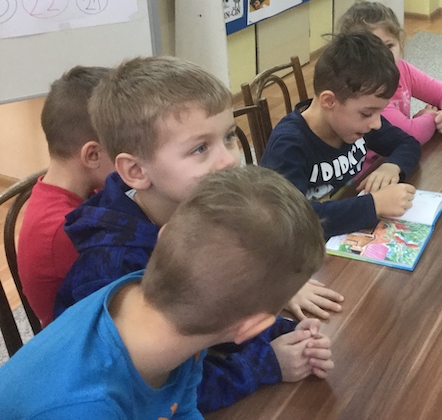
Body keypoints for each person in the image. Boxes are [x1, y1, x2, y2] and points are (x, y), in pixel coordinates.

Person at [53, 56, 341, 414]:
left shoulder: (204, 214)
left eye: (229, 137)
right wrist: (265, 363)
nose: (228, 160)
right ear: (136, 170)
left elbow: (215, 310)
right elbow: (153, 387)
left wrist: (279, 331)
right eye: (200, 148)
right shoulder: (110, 266)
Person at [0, 166, 328, 418]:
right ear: (251, 327)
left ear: (164, 235)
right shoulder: (87, 407)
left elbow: (182, 406)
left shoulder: (168, 312)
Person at [260, 32, 421, 239]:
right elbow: (288, 220)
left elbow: (407, 143)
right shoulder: (288, 146)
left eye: (379, 112)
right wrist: (374, 205)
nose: (377, 123)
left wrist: (392, 166)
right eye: (367, 113)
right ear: (329, 101)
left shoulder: (357, 124)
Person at [17, 66, 113, 327]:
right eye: (126, 148)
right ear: (92, 155)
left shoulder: (88, 187)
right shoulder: (65, 230)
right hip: (83, 335)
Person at [337, 1, 442, 148]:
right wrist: (430, 116)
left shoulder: (402, 69)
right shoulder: (364, 89)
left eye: (389, 46)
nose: (384, 56)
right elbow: (411, 134)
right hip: (374, 159)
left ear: (400, 41)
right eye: (372, 49)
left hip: (400, 152)